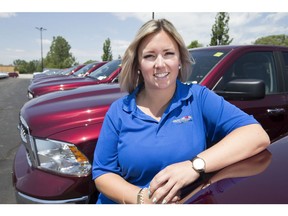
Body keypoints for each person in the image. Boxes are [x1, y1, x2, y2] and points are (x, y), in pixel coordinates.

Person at [92, 18, 270, 204]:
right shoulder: (119, 111)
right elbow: (103, 173)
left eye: (168, 53)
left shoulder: (198, 98)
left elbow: (256, 135)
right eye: (149, 56)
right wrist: (141, 199)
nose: (159, 64)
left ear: (179, 60)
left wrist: (194, 166)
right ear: (137, 64)